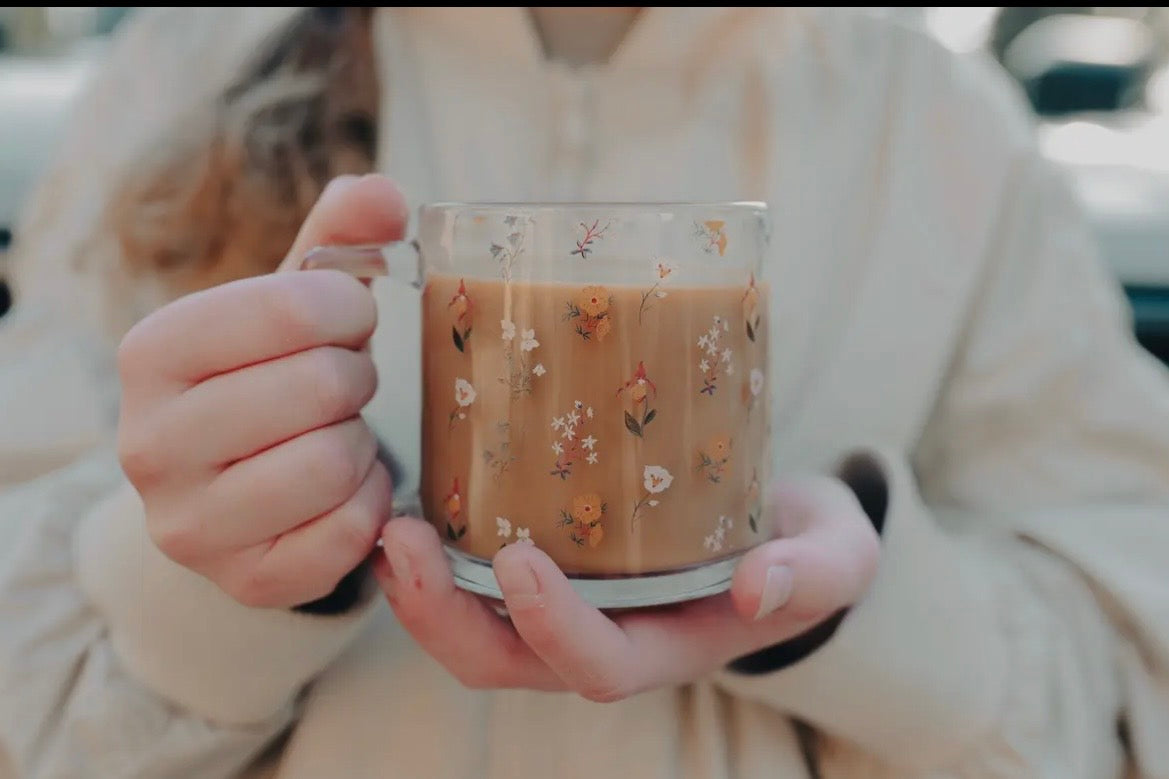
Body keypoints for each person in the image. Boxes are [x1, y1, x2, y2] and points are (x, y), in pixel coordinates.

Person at [1, 7, 1168, 778]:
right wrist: (216, 573)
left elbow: (1124, 701)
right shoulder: (183, 74)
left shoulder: (938, 128)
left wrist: (862, 616)